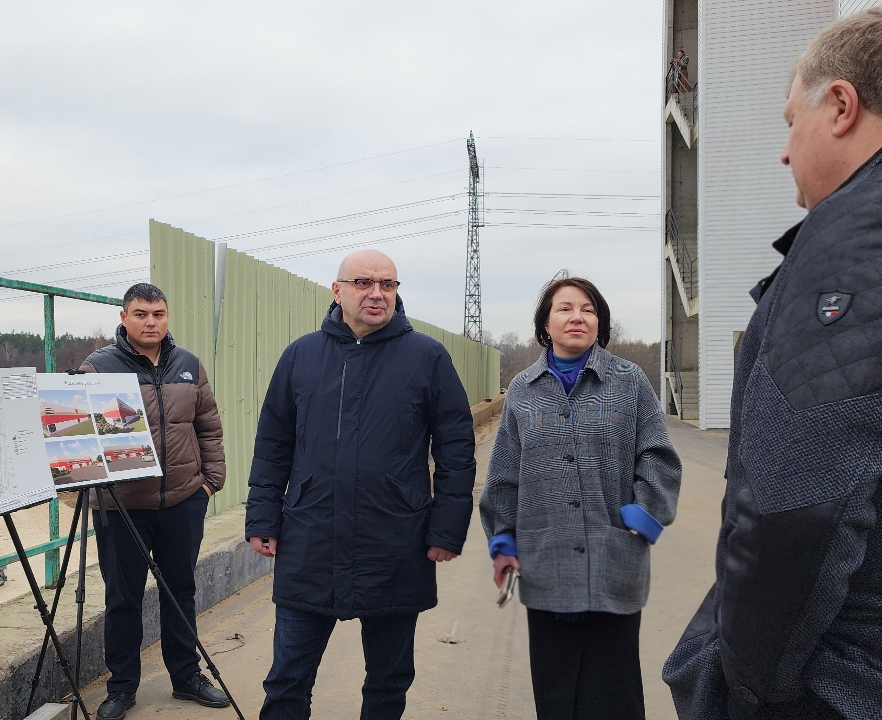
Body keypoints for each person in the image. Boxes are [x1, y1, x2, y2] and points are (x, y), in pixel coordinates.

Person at [663, 9, 882, 720]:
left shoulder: (849, 249)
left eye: (792, 121)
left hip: (838, 681)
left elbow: (799, 513)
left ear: (842, 106)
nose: (784, 152)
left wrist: (744, 686)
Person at [245, 249, 476, 720]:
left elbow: (456, 448)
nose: (377, 293)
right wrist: (263, 515)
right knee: (287, 678)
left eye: (388, 284)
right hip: (311, 537)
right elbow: (273, 443)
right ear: (337, 290)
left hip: (393, 540)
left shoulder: (426, 357)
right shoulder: (301, 356)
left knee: (389, 681)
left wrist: (446, 528)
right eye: (363, 283)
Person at [480, 275, 681, 720]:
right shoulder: (522, 391)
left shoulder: (629, 382)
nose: (577, 317)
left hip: (614, 560)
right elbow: (504, 478)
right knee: (555, 695)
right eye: (565, 308)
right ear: (545, 324)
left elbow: (659, 457)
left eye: (588, 309)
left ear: (600, 323)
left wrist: (643, 515)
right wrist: (503, 542)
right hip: (545, 561)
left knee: (615, 692)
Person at [80, 283, 229, 720]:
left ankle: (186, 677)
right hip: (122, 507)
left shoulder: (188, 365)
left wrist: (210, 482)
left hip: (183, 500)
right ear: (124, 318)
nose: (151, 322)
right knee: (123, 598)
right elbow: (79, 437)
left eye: (159, 314)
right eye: (141, 314)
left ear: (168, 317)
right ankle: (122, 688)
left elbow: (208, 426)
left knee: (180, 590)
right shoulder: (98, 368)